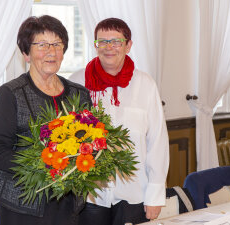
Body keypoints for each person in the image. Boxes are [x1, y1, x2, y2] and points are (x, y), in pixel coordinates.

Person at [0, 15, 92, 225]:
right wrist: (43, 165)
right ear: (26, 53)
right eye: (42, 45)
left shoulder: (79, 94)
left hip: (67, 203)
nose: (51, 52)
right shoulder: (11, 94)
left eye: (57, 44)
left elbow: (89, 141)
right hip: (21, 205)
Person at [69, 17, 169, 225]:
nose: (109, 48)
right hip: (89, 195)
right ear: (95, 45)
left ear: (128, 45)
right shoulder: (77, 82)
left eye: (116, 41)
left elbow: (157, 141)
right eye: (102, 41)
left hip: (135, 192)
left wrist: (155, 194)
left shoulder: (145, 84)